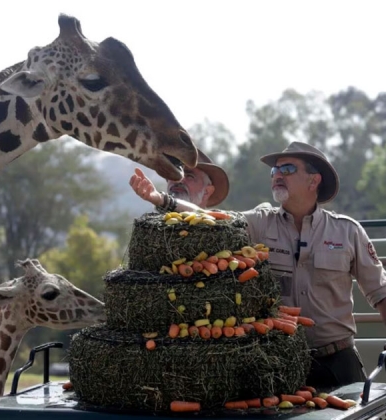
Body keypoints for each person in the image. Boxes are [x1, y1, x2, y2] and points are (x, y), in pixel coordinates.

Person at [130, 141, 386, 390]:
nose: (277, 175)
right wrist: (161, 199)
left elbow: (381, 294)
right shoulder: (260, 223)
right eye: (274, 170)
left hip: (339, 361)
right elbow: (210, 219)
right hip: (280, 360)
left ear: (314, 180)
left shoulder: (347, 231)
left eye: (287, 169)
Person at [129, 149, 230, 210]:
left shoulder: (222, 227)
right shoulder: (152, 229)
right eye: (175, 174)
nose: (179, 180)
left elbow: (199, 214)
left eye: (190, 176)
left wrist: (162, 199)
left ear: (207, 192)